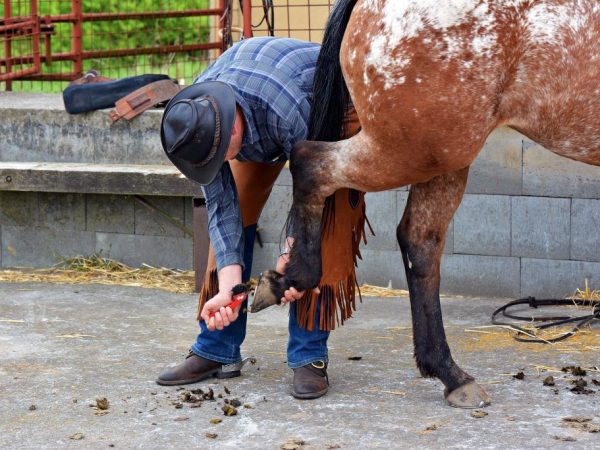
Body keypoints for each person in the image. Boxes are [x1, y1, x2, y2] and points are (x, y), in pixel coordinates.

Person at [157, 36, 363, 399]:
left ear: (231, 129)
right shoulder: (201, 119)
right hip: (259, 108)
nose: (218, 164)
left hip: (326, 107)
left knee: (324, 232)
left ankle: (308, 354)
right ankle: (216, 348)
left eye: (220, 155)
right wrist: (229, 288)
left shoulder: (287, 108)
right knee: (236, 207)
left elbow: (313, 191)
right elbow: (223, 209)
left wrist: (296, 252)